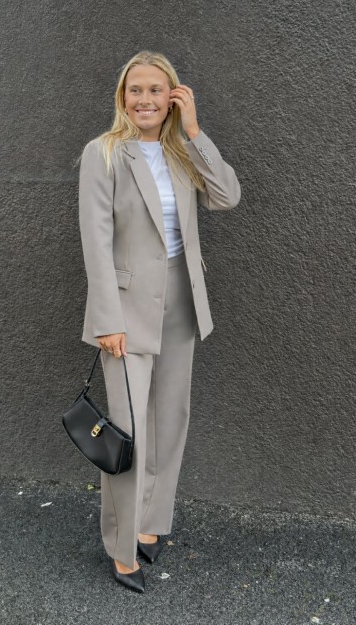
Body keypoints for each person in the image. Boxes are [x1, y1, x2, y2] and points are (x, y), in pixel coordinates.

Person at [78, 50, 240, 593]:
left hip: (180, 301)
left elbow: (227, 196)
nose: (144, 100)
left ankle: (151, 524)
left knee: (170, 421)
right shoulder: (104, 153)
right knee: (128, 431)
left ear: (171, 97)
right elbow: (96, 241)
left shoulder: (180, 152)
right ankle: (121, 549)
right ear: (122, 97)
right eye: (135, 90)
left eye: (155, 90)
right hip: (125, 309)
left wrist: (194, 131)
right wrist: (107, 318)